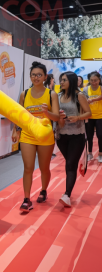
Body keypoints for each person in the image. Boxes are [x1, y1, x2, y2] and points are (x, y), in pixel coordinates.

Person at [12, 62, 59, 212]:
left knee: (44, 168)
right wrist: (15, 130)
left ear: (45, 76)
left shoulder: (51, 94)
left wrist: (47, 114)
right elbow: (19, 116)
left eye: (39, 75)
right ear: (30, 76)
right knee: (28, 167)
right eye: (33, 75)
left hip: (45, 136)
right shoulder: (24, 94)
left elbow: (57, 117)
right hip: (27, 135)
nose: (36, 77)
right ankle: (26, 199)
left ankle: (44, 190)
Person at [56, 72, 91, 207]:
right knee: (70, 163)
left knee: (71, 164)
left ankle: (67, 195)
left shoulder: (79, 95)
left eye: (64, 80)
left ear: (71, 80)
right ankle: (67, 193)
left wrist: (77, 117)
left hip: (77, 135)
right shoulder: (58, 96)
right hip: (60, 135)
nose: (62, 82)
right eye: (61, 80)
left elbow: (88, 113)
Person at [83, 72, 102, 162]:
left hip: (100, 116)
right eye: (91, 80)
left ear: (99, 80)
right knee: (89, 136)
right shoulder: (86, 89)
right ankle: (89, 153)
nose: (94, 82)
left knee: (100, 135)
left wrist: (93, 99)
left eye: (95, 80)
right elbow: (82, 101)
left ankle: (100, 154)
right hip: (89, 116)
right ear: (89, 80)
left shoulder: (101, 88)